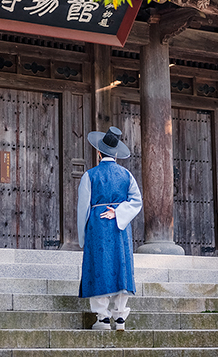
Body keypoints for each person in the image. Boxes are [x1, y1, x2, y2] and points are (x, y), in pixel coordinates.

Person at [77, 126, 143, 331]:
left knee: (99, 267)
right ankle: (121, 317)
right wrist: (119, 212)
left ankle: (103, 318)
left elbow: (83, 208)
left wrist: (82, 236)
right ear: (115, 154)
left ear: (98, 152)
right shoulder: (127, 175)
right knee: (120, 266)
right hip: (119, 227)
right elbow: (136, 201)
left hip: (97, 225)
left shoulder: (89, 175)